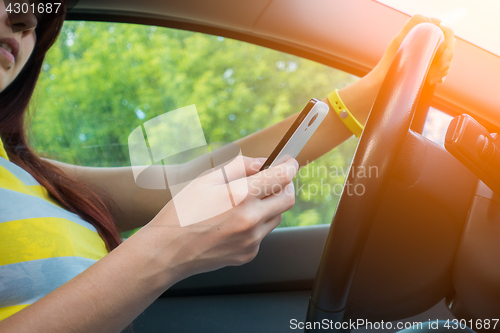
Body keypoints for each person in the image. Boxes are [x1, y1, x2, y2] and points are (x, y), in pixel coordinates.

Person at [0, 1, 456, 332]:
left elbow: (177, 183)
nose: (26, 20)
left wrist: (364, 96)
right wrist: (166, 253)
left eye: (38, 16)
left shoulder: (23, 170)